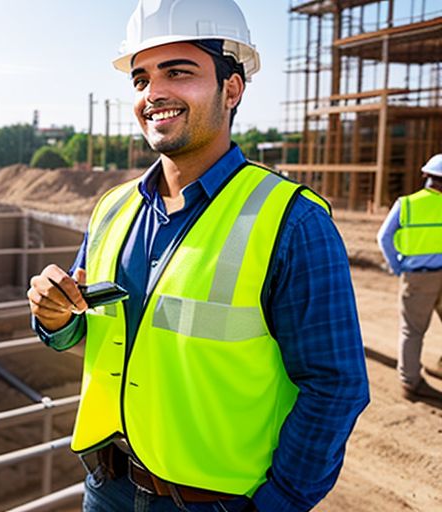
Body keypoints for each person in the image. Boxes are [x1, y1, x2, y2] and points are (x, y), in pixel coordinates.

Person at [27, 1, 369, 510]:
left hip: (214, 502)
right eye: (141, 79)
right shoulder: (112, 208)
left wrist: (276, 505)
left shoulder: (292, 222)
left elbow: (334, 386)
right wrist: (53, 317)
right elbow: (91, 329)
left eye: (178, 72)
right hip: (106, 487)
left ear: (231, 88)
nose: (153, 93)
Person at [377, 154, 442, 401]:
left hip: (417, 278)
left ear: (426, 176)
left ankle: (410, 382)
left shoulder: (407, 204)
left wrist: (397, 265)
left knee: (412, 331)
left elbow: (384, 237)